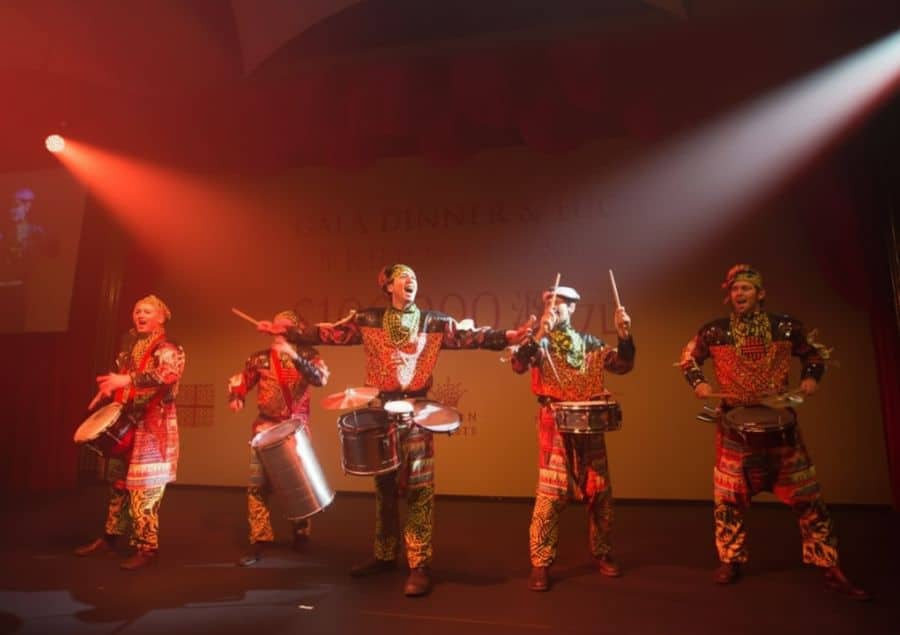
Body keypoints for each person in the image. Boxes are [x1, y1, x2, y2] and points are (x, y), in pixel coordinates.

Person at [257, 264, 530, 597]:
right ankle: (385, 554)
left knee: (418, 490)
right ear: (388, 286)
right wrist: (289, 332)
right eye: (404, 277)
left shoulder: (434, 321)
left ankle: (419, 565)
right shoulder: (368, 320)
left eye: (415, 276)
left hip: (417, 412)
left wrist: (508, 338)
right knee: (385, 488)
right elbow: (329, 333)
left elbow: (470, 336)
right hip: (381, 411)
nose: (411, 280)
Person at [679, 264, 870, 600]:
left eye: (746, 289)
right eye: (735, 289)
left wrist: (811, 377)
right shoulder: (714, 332)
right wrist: (700, 383)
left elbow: (814, 355)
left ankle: (830, 565)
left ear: (761, 293)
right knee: (728, 502)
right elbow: (688, 359)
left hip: (781, 432)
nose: (739, 294)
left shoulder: (786, 328)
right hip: (735, 431)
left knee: (810, 500)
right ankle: (731, 560)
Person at [511, 285, 634, 591]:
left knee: (600, 492)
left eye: (560, 305)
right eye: (549, 305)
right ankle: (540, 563)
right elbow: (517, 365)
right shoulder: (539, 343)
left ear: (573, 309)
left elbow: (623, 365)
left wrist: (625, 337)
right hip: (554, 423)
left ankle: (603, 553)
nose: (553, 310)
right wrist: (539, 333)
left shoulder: (590, 344)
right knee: (551, 495)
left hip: (589, 425)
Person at [74, 294, 185, 570]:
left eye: (147, 311)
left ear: (161, 317)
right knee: (118, 486)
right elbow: (120, 376)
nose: (140, 315)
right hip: (128, 421)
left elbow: (168, 374)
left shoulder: (168, 347)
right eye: (137, 311)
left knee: (144, 492)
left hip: (153, 426)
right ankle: (110, 539)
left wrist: (127, 379)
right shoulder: (130, 347)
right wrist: (108, 390)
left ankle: (147, 548)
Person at [227, 310, 329, 566]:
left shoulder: (308, 355)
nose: (277, 333)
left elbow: (320, 379)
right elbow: (243, 381)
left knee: (297, 486)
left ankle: (301, 533)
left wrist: (293, 354)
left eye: (283, 330)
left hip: (295, 429)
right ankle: (259, 539)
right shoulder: (259, 358)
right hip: (264, 428)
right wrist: (236, 396)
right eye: (275, 328)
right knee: (257, 485)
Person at [0, 188, 47, 332]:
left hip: (20, 292)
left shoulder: (36, 232)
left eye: (15, 205)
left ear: (27, 207)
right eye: (9, 206)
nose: (11, 210)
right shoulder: (3, 231)